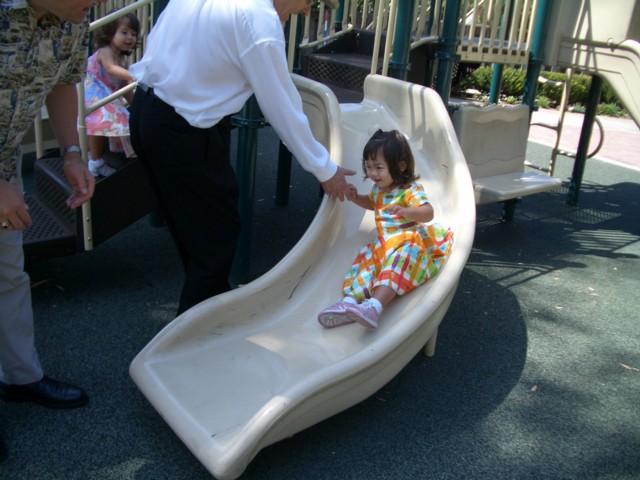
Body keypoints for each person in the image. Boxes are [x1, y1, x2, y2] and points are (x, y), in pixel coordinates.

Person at [128, 0, 353, 316]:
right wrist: (325, 169)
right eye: (309, 1)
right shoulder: (258, 20)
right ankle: (191, 343)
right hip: (183, 128)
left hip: (147, 111)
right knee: (217, 238)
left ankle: (210, 307)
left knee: (193, 229)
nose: (306, 11)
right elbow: (281, 106)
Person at [0, 0, 104, 419]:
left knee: (8, 276)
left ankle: (20, 377)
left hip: (6, 169)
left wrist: (72, 153)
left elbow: (63, 82)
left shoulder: (73, 20)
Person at [317, 129, 454, 330]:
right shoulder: (379, 190)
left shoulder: (410, 190)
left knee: (395, 266)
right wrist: (356, 198)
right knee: (367, 267)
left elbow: (428, 213)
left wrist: (407, 211)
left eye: (379, 167)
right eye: (369, 166)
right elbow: (373, 204)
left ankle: (374, 306)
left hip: (407, 242)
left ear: (401, 166)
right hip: (384, 244)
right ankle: (350, 303)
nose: (372, 173)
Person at [84, 10, 139, 177]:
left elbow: (122, 84)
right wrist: (135, 75)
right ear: (109, 33)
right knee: (102, 121)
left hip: (103, 93)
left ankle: (94, 157)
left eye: (133, 34)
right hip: (92, 91)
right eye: (124, 32)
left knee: (120, 117)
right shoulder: (106, 51)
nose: (129, 37)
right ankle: (95, 163)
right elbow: (110, 69)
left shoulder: (120, 58)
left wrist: (136, 106)